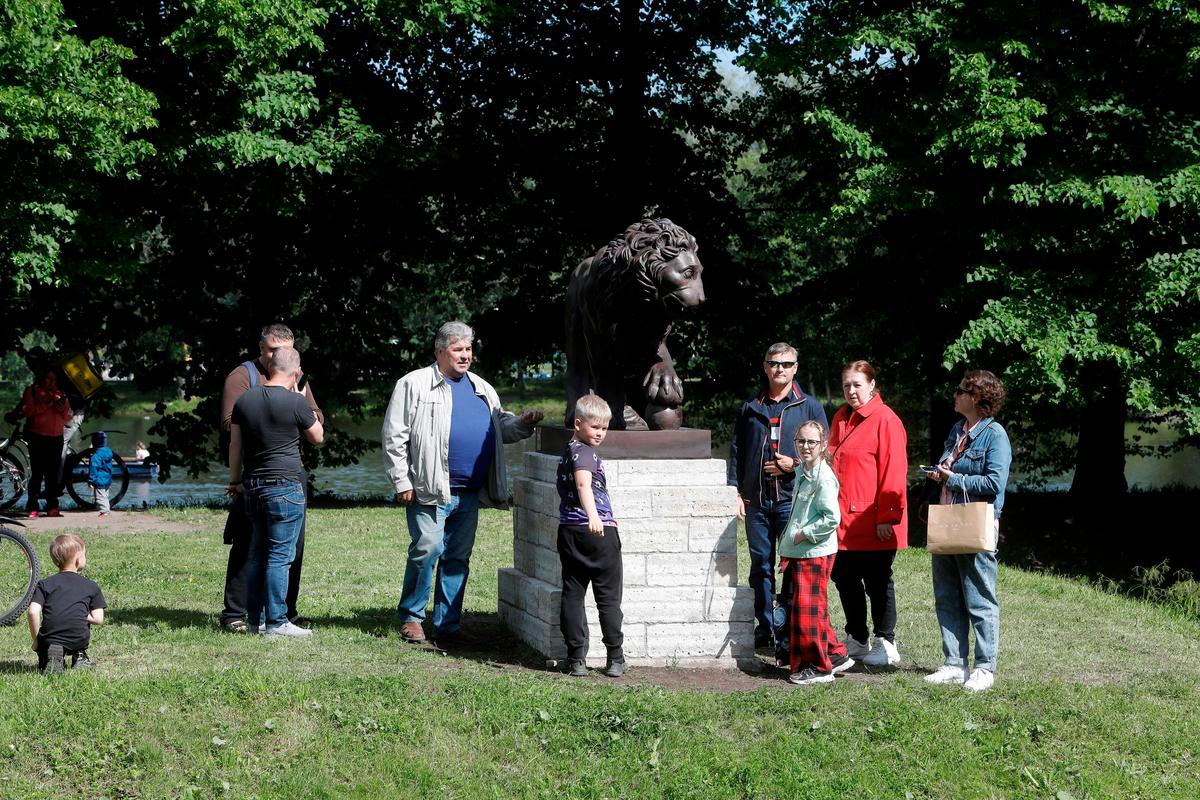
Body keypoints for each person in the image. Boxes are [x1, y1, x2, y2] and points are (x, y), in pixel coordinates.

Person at [383, 321, 543, 644]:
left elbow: (500, 430)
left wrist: (522, 424)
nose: (465, 355)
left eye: (469, 349)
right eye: (458, 349)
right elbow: (394, 435)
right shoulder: (413, 384)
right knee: (426, 549)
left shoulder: (482, 389)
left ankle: (448, 624)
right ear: (440, 351)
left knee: (457, 558)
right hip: (429, 489)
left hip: (469, 492)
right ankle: (412, 617)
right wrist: (401, 480)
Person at [218, 324, 324, 632]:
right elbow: (231, 424)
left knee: (287, 548)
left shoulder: (296, 380)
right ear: (261, 348)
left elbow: (315, 412)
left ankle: (279, 612)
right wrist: (285, 410)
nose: (279, 355)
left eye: (285, 349)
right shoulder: (242, 377)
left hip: (268, 478)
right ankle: (240, 614)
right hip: (264, 477)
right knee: (253, 548)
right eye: (273, 350)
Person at [728, 342, 828, 648]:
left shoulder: (809, 406)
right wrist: (734, 490)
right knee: (760, 565)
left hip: (792, 502)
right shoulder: (751, 408)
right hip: (757, 502)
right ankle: (765, 626)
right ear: (765, 367)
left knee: (791, 565)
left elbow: (824, 454)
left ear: (795, 368)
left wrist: (793, 465)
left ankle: (789, 628)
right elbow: (737, 452)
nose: (779, 369)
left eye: (786, 364)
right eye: (774, 363)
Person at [923, 370, 1012, 692]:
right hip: (947, 522)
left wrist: (953, 479)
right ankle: (953, 663)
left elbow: (993, 484)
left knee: (979, 599)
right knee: (946, 597)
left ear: (976, 398)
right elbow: (950, 467)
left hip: (974, 524)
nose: (955, 395)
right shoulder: (957, 430)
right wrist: (938, 474)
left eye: (960, 391)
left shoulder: (995, 435)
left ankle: (984, 668)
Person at [828, 360, 909, 667]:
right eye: (846, 385)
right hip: (842, 521)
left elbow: (894, 471)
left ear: (872, 385)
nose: (851, 391)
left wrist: (887, 517)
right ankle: (857, 638)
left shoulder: (886, 419)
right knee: (844, 578)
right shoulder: (840, 417)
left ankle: (886, 642)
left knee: (878, 582)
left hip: (874, 521)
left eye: (857, 385)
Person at [779, 420, 854, 685]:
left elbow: (831, 518)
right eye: (801, 441)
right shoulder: (803, 470)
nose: (806, 447)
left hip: (815, 552)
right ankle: (834, 653)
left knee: (808, 610)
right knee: (814, 609)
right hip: (802, 551)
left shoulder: (823, 476)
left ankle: (819, 668)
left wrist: (803, 535)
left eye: (812, 442)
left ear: (823, 446)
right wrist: (789, 547)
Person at [556, 393, 625, 678]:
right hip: (595, 534)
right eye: (594, 427)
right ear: (577, 423)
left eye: (604, 428)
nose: (599, 433)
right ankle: (616, 658)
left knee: (573, 593)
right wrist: (596, 516)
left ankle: (576, 659)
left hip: (569, 530)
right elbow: (584, 484)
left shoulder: (569, 450)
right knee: (608, 598)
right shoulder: (586, 453)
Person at [27, 533, 106, 673]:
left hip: (50, 639)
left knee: (52, 643)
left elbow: (33, 612)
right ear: (78, 560)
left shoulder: (45, 584)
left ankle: (52, 656)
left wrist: (36, 642)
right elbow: (98, 619)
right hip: (77, 638)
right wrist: (79, 613)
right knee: (81, 630)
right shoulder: (91, 586)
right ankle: (80, 656)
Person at [21, 370, 73, 518]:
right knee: (37, 473)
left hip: (56, 438)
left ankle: (52, 506)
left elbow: (68, 416)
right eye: (48, 379)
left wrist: (62, 407)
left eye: (54, 380)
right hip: (37, 437)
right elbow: (28, 411)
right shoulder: (32, 391)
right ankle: (33, 506)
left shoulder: (60, 393)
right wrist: (48, 404)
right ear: (42, 378)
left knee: (52, 474)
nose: (51, 383)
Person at [88, 431, 114, 517]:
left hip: (99, 480)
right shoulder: (109, 452)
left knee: (100, 497)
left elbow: (94, 469)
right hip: (107, 478)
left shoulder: (96, 456)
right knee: (105, 496)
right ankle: (107, 510)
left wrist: (91, 481)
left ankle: (105, 511)